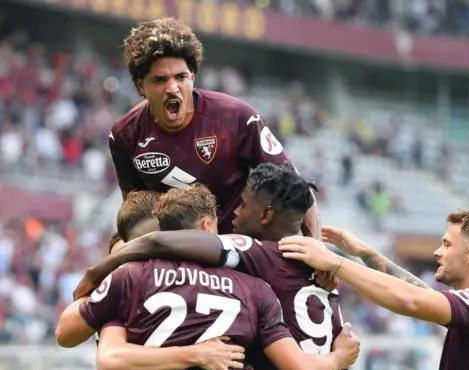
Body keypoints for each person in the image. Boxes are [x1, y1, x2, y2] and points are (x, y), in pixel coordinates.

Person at [74, 164, 363, 370]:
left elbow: (76, 336)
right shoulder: (308, 267)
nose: (234, 213)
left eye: (243, 204)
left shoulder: (250, 253)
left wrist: (103, 268)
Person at [278, 209, 469, 370]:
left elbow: (411, 300)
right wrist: (365, 254)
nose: (437, 252)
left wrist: (335, 263)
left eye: (446, 244)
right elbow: (421, 293)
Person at [108, 17, 319, 237]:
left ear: (193, 77)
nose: (172, 88)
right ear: (141, 86)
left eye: (180, 77)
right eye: (160, 80)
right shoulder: (124, 135)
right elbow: (134, 213)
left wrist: (316, 249)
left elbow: (296, 188)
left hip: (238, 250)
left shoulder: (237, 117)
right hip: (173, 252)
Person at [82, 190, 249, 370]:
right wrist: (195, 355)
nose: (141, 265)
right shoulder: (121, 295)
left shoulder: (235, 285)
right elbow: (105, 357)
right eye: (125, 261)